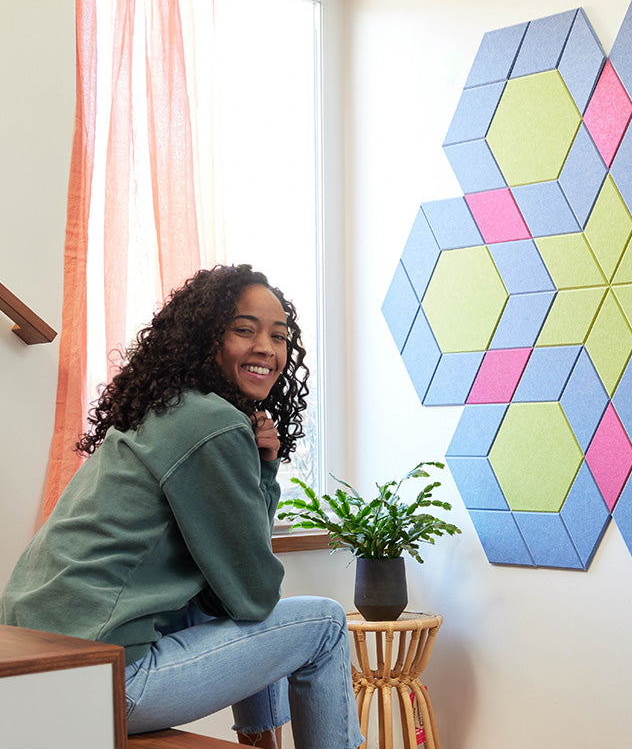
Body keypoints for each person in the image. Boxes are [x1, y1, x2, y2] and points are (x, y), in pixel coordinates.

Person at [0, 264, 363, 749]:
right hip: (105, 679)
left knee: (209, 598)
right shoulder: (213, 423)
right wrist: (268, 472)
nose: (267, 349)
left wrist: (261, 468)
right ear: (205, 337)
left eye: (279, 337)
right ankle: (269, 739)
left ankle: (263, 741)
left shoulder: (164, 409)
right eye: (244, 329)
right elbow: (256, 592)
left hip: (30, 668)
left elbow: (231, 585)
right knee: (324, 623)